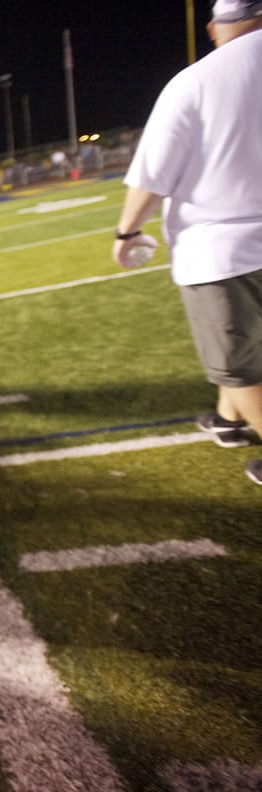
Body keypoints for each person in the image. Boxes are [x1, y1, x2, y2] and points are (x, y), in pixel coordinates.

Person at [113, 0, 262, 486]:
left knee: (236, 364)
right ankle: (229, 420)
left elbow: (153, 176)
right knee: (240, 356)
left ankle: (240, 413)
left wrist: (127, 231)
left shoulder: (195, 81)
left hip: (224, 250)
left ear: (218, 25)